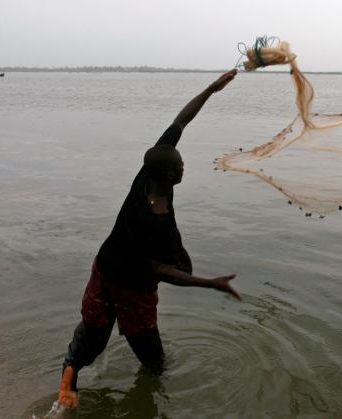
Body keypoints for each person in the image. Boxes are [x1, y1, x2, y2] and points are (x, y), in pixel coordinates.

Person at [58, 69, 241, 409]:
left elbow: (181, 120)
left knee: (94, 331)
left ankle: (69, 379)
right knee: (153, 357)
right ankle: (149, 400)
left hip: (104, 266)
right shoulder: (157, 221)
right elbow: (162, 271)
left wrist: (213, 89)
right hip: (132, 285)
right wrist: (211, 283)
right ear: (171, 176)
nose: (185, 166)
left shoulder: (149, 172)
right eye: (181, 166)